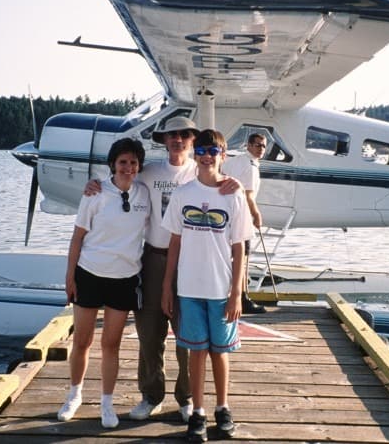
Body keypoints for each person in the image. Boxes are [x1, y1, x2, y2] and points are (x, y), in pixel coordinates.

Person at [83, 116, 241, 424]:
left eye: (184, 134)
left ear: (194, 141)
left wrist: (237, 183)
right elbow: (118, 180)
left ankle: (186, 399)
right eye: (171, 134)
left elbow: (229, 189)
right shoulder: (150, 172)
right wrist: (94, 184)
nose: (177, 139)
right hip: (154, 258)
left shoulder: (205, 171)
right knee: (149, 331)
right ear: (163, 140)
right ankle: (151, 395)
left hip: (192, 260)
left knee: (188, 332)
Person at [161, 129, 250, 442]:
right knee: (195, 352)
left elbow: (239, 247)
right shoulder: (183, 194)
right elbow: (174, 242)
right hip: (188, 288)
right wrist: (167, 287)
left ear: (223, 156)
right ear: (194, 154)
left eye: (214, 150)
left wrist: (236, 293)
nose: (207, 155)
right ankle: (197, 411)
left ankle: (222, 407)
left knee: (219, 352)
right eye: (201, 149)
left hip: (221, 289)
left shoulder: (233, 195)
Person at [57, 138, 150, 428]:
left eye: (133, 163)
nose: (128, 167)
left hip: (124, 279)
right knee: (82, 341)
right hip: (90, 274)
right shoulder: (94, 193)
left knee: (111, 344)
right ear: (113, 164)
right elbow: (77, 238)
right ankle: (74, 394)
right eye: (123, 162)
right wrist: (69, 277)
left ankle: (107, 403)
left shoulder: (144, 194)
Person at [221, 133, 268, 314]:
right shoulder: (250, 167)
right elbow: (248, 195)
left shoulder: (238, 160)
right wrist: (256, 214)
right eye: (257, 145)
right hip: (241, 215)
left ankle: (238, 293)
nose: (260, 149)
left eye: (263, 146)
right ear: (248, 145)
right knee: (243, 257)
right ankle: (242, 296)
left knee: (237, 256)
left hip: (228, 213)